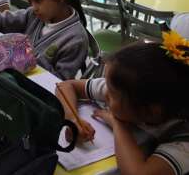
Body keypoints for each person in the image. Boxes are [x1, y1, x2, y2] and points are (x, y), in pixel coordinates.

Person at [56, 39, 189, 175]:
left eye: (111, 94)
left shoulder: (183, 140)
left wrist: (117, 123)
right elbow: (64, 87)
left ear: (150, 111)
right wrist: (72, 120)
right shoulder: (122, 88)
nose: (105, 93)